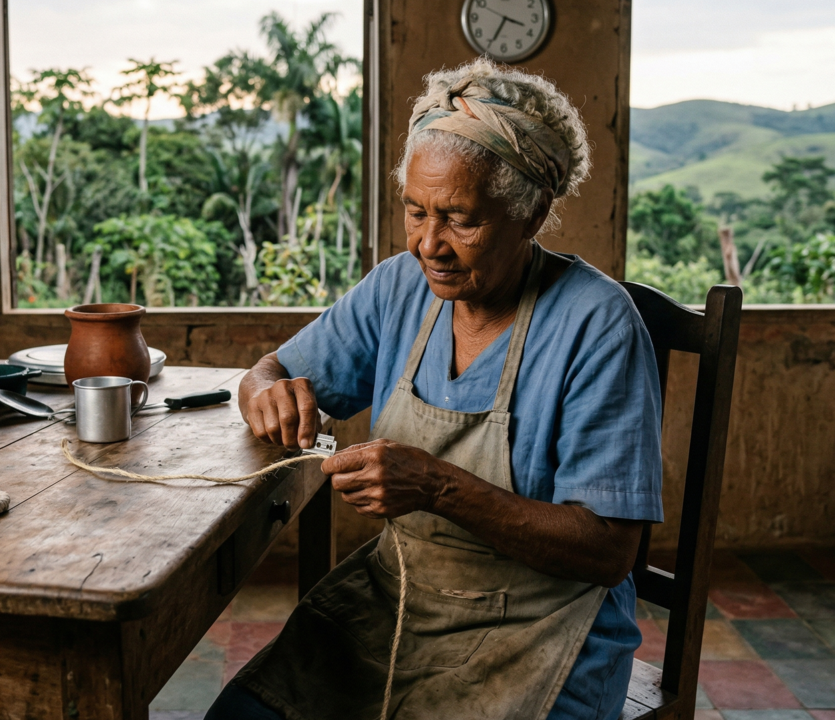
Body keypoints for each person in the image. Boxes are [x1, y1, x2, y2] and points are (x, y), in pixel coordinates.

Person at [206, 59, 663, 720]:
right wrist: (264, 389)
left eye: (459, 220)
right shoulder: (398, 287)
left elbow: (608, 551)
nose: (428, 245)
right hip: (399, 598)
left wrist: (437, 486)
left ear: (530, 212)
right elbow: (271, 371)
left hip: (542, 629)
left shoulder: (596, 324)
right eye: (415, 212)